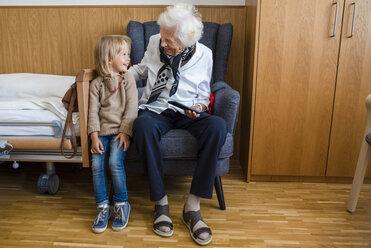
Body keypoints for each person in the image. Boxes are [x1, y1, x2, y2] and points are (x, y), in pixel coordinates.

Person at [129, 3, 227, 246]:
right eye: (162, 37)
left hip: (186, 111)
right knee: (142, 126)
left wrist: (199, 109)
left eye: (169, 40)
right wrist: (117, 75)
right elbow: (142, 69)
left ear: (186, 42)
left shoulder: (205, 54)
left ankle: (192, 207)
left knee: (217, 127)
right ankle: (160, 203)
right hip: (156, 107)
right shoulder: (154, 41)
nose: (162, 44)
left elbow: (204, 94)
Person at [88, 35, 138, 233]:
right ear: (109, 59)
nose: (128, 58)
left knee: (114, 163)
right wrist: (93, 135)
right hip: (101, 132)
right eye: (123, 54)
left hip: (120, 133)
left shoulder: (129, 79)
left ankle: (121, 204)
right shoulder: (96, 84)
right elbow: (92, 112)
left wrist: (125, 132)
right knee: (97, 165)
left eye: (128, 54)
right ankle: (102, 207)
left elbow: (132, 109)